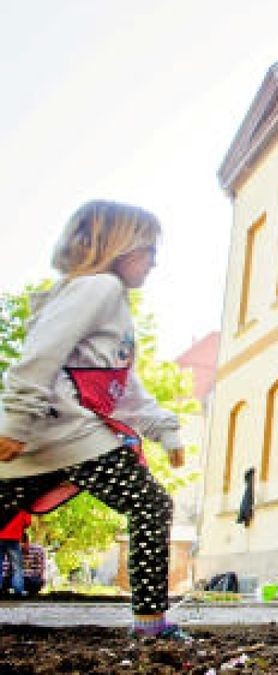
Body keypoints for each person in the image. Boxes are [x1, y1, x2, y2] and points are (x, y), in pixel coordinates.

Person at [0, 200, 186, 638]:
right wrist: (15, 421)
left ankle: (150, 623)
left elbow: (119, 388)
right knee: (151, 504)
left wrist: (164, 428)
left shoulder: (108, 301)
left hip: (60, 439)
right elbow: (41, 353)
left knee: (149, 503)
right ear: (119, 248)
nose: (154, 262)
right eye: (148, 251)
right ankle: (150, 625)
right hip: (66, 432)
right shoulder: (99, 288)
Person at [0, 509, 31, 596]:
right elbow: (28, 522)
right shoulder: (23, 507)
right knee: (16, 567)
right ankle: (18, 590)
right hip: (13, 538)